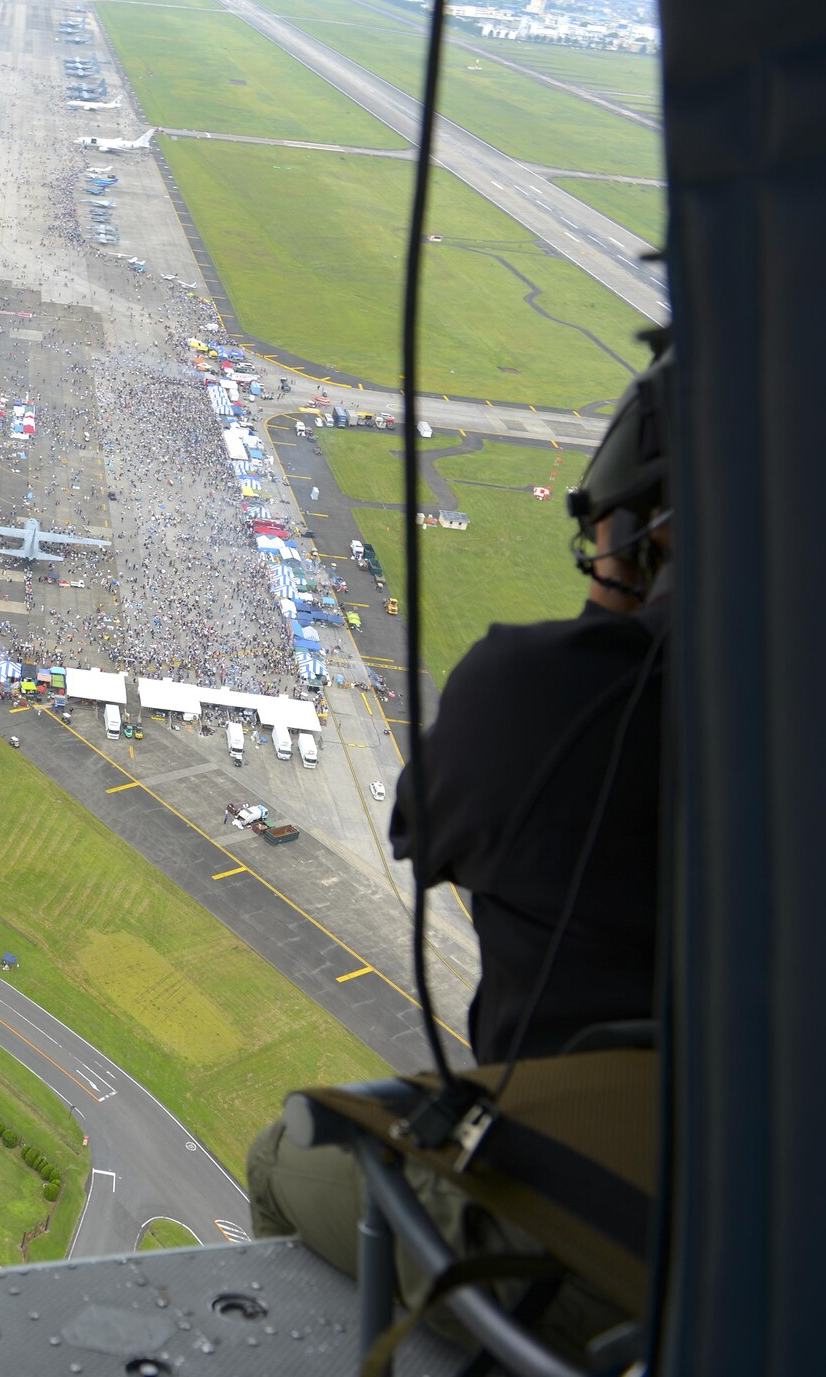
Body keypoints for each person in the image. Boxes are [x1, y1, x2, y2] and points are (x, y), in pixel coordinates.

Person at [245, 346, 674, 1355]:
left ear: (630, 520)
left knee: (285, 1156)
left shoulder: (551, 698)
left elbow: (425, 824)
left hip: (635, 1227)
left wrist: (607, 608)